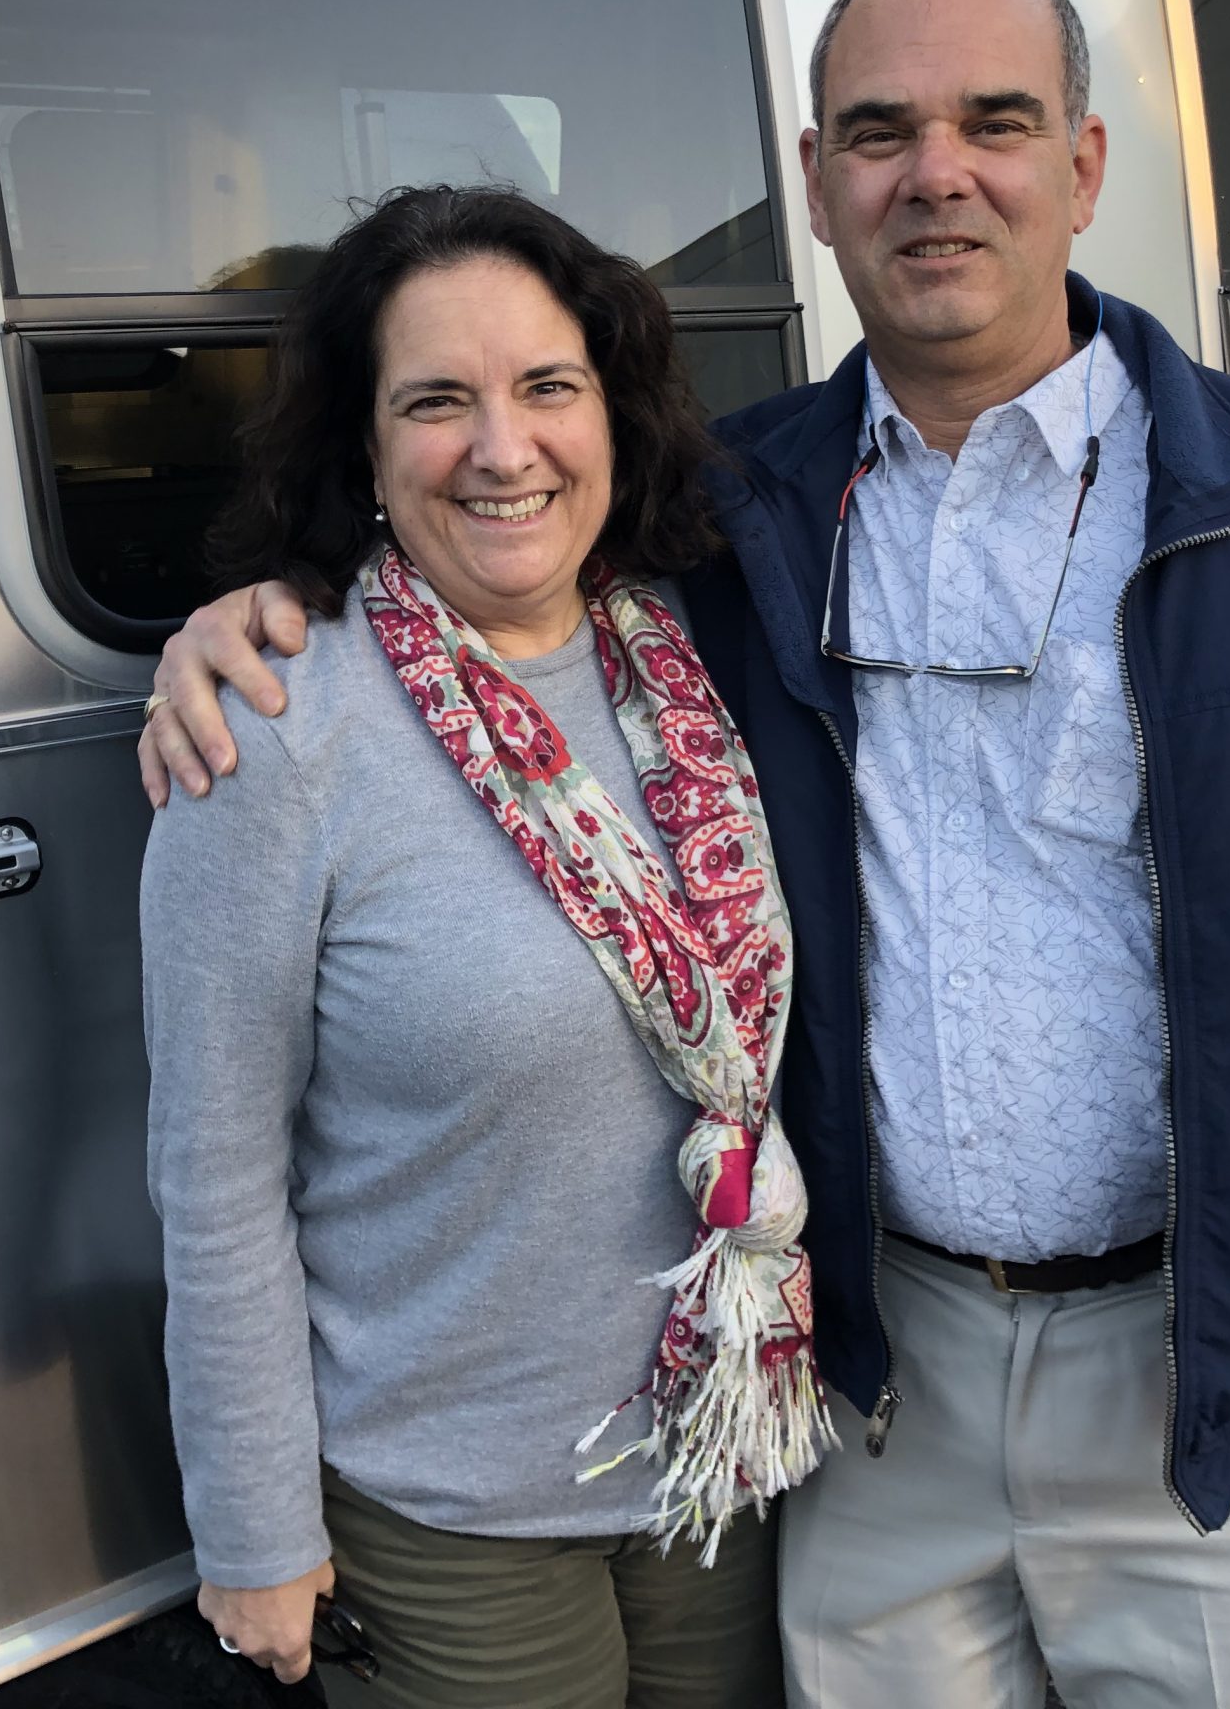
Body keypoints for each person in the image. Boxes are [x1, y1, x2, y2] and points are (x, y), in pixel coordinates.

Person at [144, 0, 1230, 1708]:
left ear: (1085, 165)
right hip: (871, 1389)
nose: (938, 174)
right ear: (818, 184)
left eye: (997, 120)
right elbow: (478, 565)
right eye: (881, 131)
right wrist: (251, 620)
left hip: (1219, 1386)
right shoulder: (732, 521)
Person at [139, 185, 831, 1708]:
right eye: (437, 401)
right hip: (452, 1509)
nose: (504, 449)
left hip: (726, 1445)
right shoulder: (273, 730)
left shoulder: (703, 652)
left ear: (614, 414)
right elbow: (216, 1169)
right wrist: (253, 1527)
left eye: (548, 388)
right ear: (366, 446)